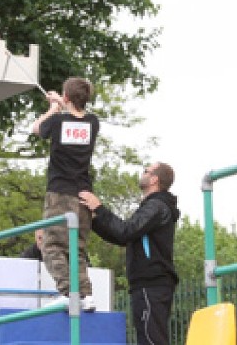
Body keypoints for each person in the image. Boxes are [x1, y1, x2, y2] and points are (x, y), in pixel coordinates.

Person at [79, 162, 180, 345]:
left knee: (151, 339)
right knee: (148, 337)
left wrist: (99, 208)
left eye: (146, 171)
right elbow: (122, 237)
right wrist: (94, 220)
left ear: (154, 179)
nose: (142, 173)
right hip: (147, 284)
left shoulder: (156, 206)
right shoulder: (152, 206)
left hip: (152, 283)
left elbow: (126, 230)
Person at [32, 77, 99, 312]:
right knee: (76, 248)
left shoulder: (58, 120)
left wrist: (53, 107)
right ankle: (86, 294)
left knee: (51, 246)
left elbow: (37, 128)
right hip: (83, 194)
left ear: (67, 97)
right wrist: (63, 103)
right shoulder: (93, 122)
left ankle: (67, 291)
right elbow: (76, 116)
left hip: (60, 193)